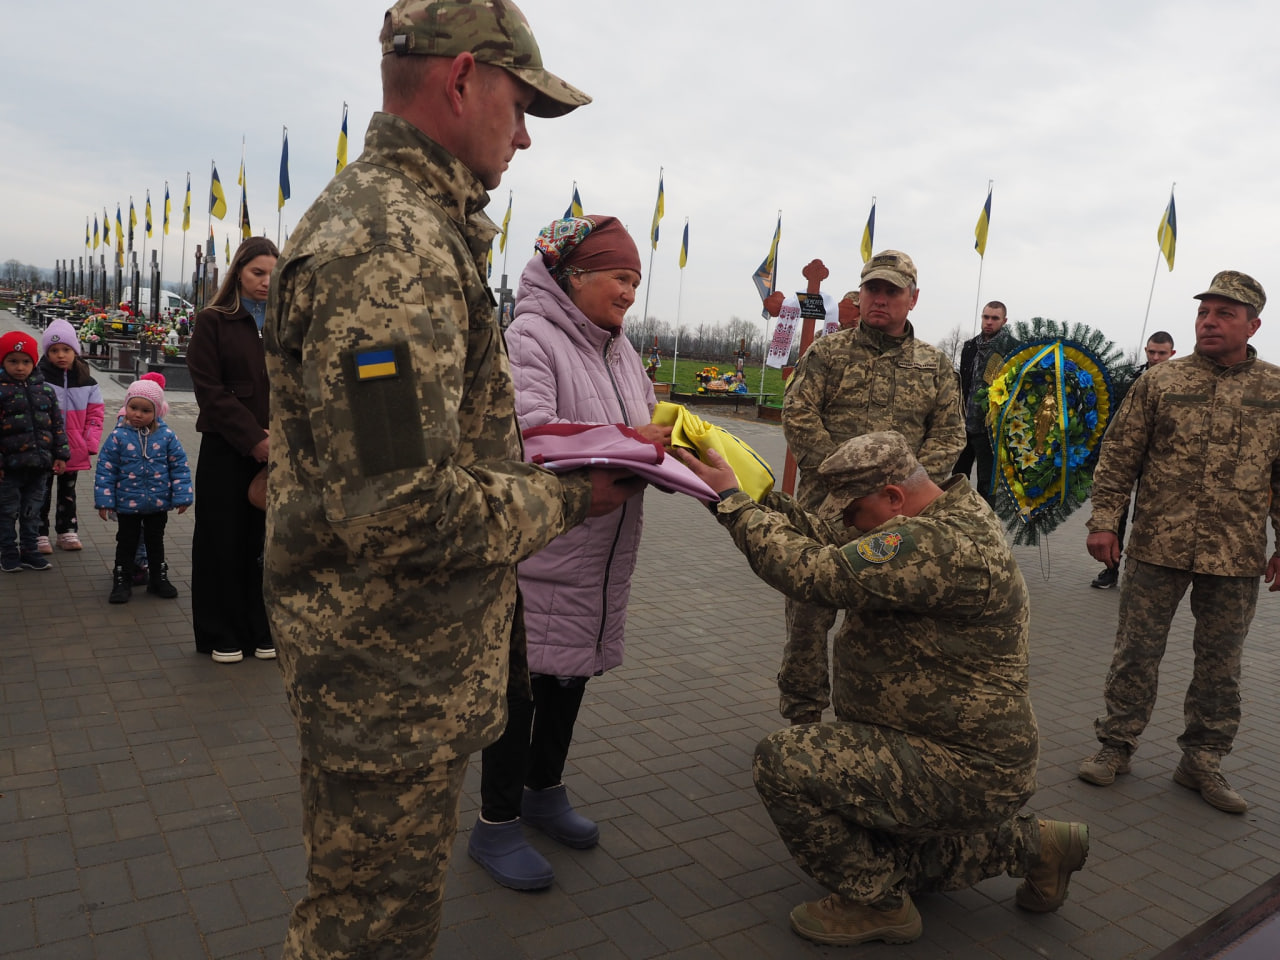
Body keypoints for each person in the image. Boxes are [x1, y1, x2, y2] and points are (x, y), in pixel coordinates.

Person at [263, 4, 638, 957]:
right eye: (519, 108)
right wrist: (568, 497)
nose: (520, 135)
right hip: (386, 677)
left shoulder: (417, 227)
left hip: (403, 665)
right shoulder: (390, 245)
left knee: (379, 916)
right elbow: (401, 509)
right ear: (462, 78)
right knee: (366, 931)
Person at [675, 432, 1088, 946]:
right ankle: (1036, 846)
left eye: (852, 511)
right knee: (890, 850)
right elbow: (835, 545)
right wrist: (758, 499)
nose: (845, 523)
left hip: (961, 766)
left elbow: (821, 573)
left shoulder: (942, 545)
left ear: (893, 497)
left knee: (786, 763)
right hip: (943, 750)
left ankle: (878, 904)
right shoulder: (934, 517)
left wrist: (733, 506)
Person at [470, 214, 670, 890]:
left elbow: (641, 419)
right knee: (521, 687)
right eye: (620, 277)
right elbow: (533, 437)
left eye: (635, 281)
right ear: (575, 275)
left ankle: (543, 791)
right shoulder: (530, 337)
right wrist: (634, 441)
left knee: (569, 676)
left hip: (601, 549)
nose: (628, 294)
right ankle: (495, 824)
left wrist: (675, 448)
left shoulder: (620, 347)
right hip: (545, 548)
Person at [1080, 272, 1280, 814]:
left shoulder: (1274, 389)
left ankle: (1203, 762)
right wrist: (1103, 522)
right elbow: (1120, 456)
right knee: (1136, 653)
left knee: (1221, 665)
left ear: (1253, 324)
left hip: (1236, 554)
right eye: (1204, 313)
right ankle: (1115, 746)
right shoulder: (1161, 382)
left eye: (1224, 314)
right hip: (1156, 546)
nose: (1209, 322)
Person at [779, 250, 964, 724]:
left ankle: (872, 720)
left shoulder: (935, 365)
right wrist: (846, 477)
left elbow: (949, 434)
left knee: (890, 624)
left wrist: (905, 486)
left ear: (913, 299)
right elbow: (798, 415)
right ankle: (803, 716)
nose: (880, 300)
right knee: (808, 615)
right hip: (827, 511)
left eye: (892, 291)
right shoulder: (829, 353)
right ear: (860, 295)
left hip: (901, 519)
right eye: (872, 290)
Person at [186, 236, 278, 663]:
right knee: (221, 541)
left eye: (273, 274)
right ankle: (220, 632)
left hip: (277, 452)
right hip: (227, 450)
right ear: (239, 271)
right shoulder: (213, 320)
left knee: (262, 544)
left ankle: (259, 628)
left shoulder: (285, 323)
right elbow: (210, 391)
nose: (266, 282)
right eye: (258, 272)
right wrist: (253, 439)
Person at [1088, 331, 1176, 589]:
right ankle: (1111, 569)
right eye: (1152, 352)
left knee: (1149, 517)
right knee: (1117, 514)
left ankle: (1142, 573)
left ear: (1172, 353)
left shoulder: (1179, 383)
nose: (1156, 357)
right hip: (1129, 458)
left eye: (1162, 353)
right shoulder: (1131, 379)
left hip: (1159, 464)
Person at [93, 377, 191, 603]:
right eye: (133, 407)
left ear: (156, 411)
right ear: (126, 406)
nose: (137, 414)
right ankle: (122, 580)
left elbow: (179, 466)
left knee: (155, 542)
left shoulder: (166, 436)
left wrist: (182, 495)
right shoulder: (118, 436)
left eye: (145, 410)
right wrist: (105, 501)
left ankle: (157, 578)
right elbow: (106, 469)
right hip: (127, 504)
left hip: (158, 503)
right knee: (126, 542)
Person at [0, 330, 68, 572]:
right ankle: (8, 552)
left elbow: (57, 425)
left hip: (39, 466)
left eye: (26, 361)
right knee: (7, 513)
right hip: (9, 468)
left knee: (32, 512)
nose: (20, 367)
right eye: (13, 361)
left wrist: (60, 455)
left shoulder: (45, 391)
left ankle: (30, 551)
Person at [36, 318, 104, 553]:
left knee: (68, 492)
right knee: (40, 492)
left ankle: (67, 531)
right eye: (54, 350)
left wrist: (89, 443)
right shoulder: (38, 378)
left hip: (73, 448)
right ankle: (38, 533)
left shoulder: (87, 381)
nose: (61, 355)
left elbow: (96, 415)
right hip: (44, 448)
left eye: (66, 349)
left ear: (75, 350)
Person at [954, 300, 1013, 505]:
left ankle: (985, 526)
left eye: (994, 318)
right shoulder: (970, 346)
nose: (989, 322)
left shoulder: (1011, 349)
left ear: (1004, 321)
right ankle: (957, 517)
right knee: (956, 478)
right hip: (964, 424)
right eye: (985, 317)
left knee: (987, 485)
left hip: (989, 428)